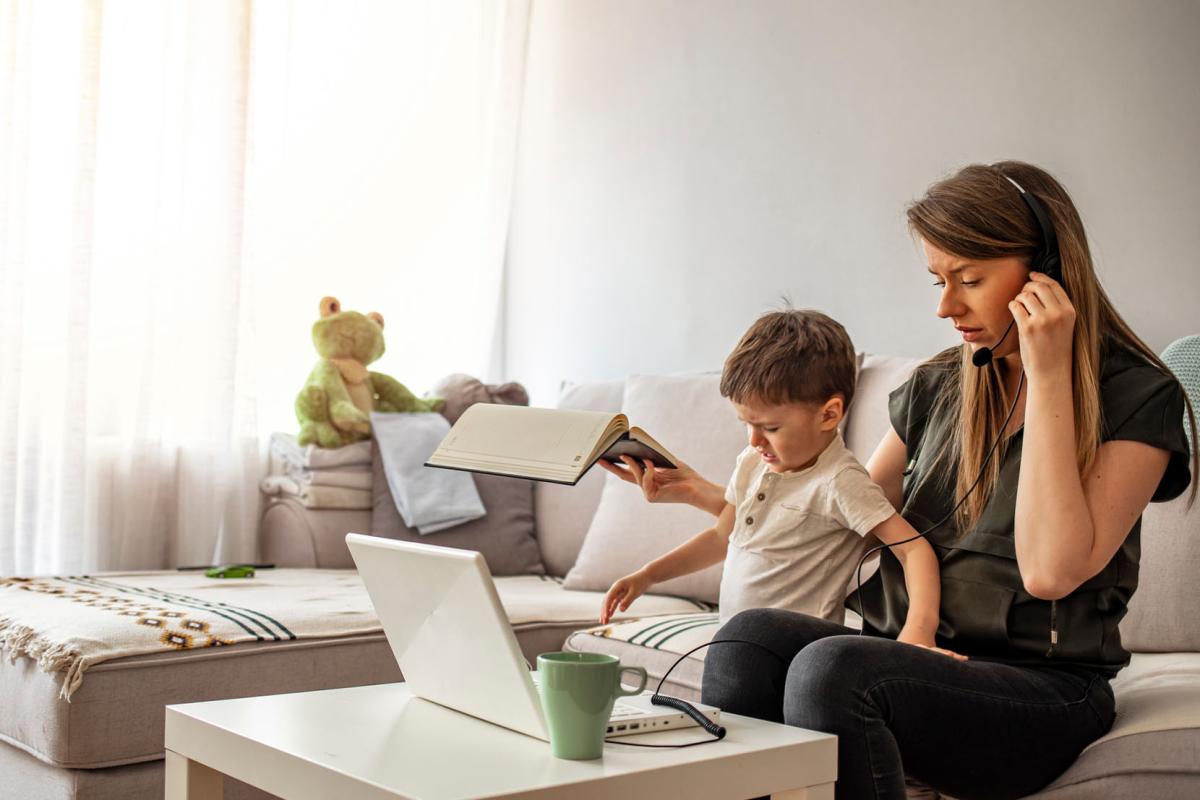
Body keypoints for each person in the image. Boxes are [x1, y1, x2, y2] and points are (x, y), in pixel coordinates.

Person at [603, 161, 1197, 800]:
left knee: (835, 669)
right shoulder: (941, 384)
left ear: (1045, 269)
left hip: (1041, 692)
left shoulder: (1138, 397)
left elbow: (1051, 572)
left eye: (969, 280)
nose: (946, 306)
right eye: (939, 280)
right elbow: (841, 512)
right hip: (907, 662)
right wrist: (701, 491)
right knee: (750, 638)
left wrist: (1047, 373)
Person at [598, 310, 943, 650]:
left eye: (770, 428)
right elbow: (723, 535)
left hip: (794, 654)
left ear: (829, 414)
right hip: (736, 647)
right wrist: (647, 575)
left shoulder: (839, 482)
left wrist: (918, 631)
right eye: (746, 424)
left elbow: (914, 550)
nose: (753, 440)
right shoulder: (753, 463)